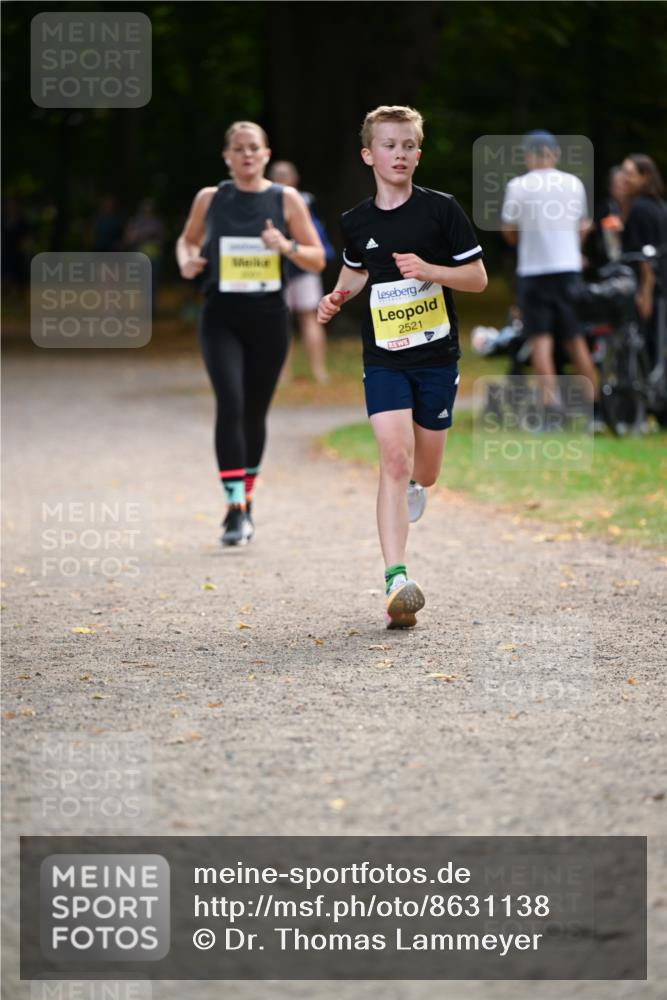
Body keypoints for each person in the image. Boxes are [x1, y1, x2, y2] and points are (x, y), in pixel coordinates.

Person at [317, 105, 487, 629]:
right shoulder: (356, 222)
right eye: (390, 145)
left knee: (425, 471)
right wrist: (337, 299)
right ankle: (396, 579)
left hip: (436, 359)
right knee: (393, 457)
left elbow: (477, 278)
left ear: (419, 152)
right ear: (369, 154)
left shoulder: (441, 211)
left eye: (410, 145)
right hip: (384, 359)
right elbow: (356, 272)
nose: (401, 154)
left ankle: (416, 485)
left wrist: (431, 270)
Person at [176, 121, 325, 545]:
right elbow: (186, 242)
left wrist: (286, 247)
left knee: (255, 412)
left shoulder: (286, 198)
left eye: (253, 148)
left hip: (269, 319)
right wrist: (187, 260)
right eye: (238, 149)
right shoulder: (211, 198)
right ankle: (233, 508)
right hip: (221, 316)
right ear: (227, 156)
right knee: (231, 402)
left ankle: (248, 501)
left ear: (265, 154)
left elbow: (317, 258)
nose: (245, 155)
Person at [501, 131, 599, 421]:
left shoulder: (518, 186)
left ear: (528, 156)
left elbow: (509, 231)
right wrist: (573, 248)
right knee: (575, 338)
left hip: (534, 272)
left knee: (540, 342)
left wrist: (524, 241)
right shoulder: (573, 183)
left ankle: (551, 410)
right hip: (568, 270)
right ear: (555, 154)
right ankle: (594, 409)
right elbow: (583, 225)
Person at [268, 160, 334, 383]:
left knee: (279, 321)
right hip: (305, 264)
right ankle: (319, 372)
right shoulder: (307, 200)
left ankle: (283, 375)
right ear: (294, 179)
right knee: (309, 319)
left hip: (277, 268)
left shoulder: (264, 200)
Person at [620, 154, 667, 368]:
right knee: (655, 346)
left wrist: (644, 293)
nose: (624, 178)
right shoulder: (659, 206)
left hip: (647, 288)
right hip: (660, 287)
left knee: (644, 347)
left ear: (645, 176)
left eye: (630, 174)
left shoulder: (639, 209)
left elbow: (645, 255)